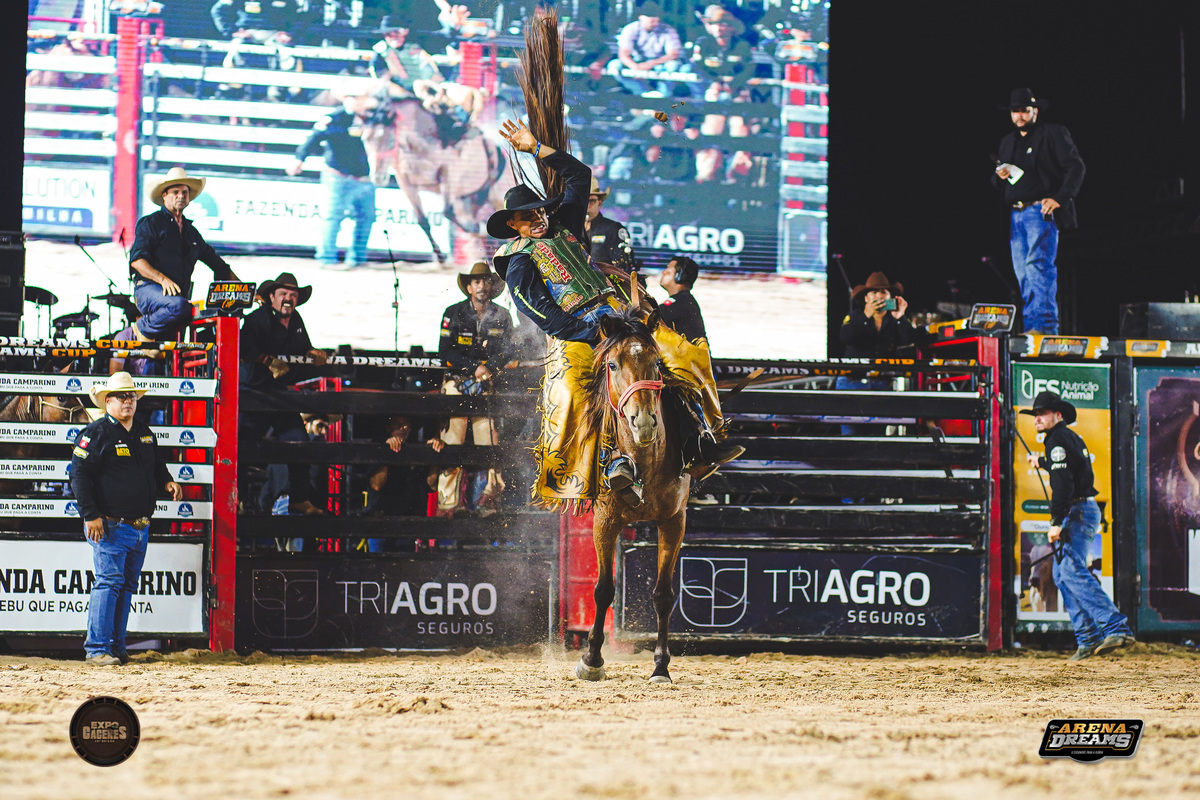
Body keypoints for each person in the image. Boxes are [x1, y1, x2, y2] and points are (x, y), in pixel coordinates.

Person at [488, 119, 742, 509]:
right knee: (573, 390)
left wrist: (536, 148)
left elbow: (579, 174)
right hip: (577, 330)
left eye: (539, 210)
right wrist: (589, 333)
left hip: (619, 312)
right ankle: (598, 466)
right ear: (512, 224)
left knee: (682, 354)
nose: (538, 218)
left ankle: (704, 440)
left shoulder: (565, 223)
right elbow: (537, 309)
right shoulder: (516, 259)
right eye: (528, 216)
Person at [69, 372, 183, 665]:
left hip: (138, 525)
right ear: (107, 401)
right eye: (121, 396)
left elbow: (156, 465)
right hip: (111, 524)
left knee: (124, 585)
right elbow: (78, 474)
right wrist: (90, 515)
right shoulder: (95, 433)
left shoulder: (144, 433)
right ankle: (97, 649)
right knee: (109, 583)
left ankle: (115, 646)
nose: (128, 401)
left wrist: (167, 481)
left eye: (131, 396)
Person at [1021, 391, 1135, 661]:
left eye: (1042, 413)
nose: (1037, 418)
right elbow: (1071, 469)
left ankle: (1115, 627)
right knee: (1062, 575)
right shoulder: (1067, 438)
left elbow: (1063, 484)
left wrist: (1056, 522)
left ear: (1057, 415)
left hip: (1076, 512)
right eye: (1035, 414)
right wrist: (1043, 462)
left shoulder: (1056, 440)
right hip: (1083, 510)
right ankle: (1088, 639)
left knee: (1070, 572)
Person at [992, 88, 1085, 335]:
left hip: (1039, 211)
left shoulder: (1052, 133)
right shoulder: (1008, 142)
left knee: (1038, 266)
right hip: (1016, 214)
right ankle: (1033, 325)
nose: (1020, 116)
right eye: (1015, 111)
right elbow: (997, 181)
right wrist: (999, 176)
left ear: (1035, 111)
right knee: (1023, 273)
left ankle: (1045, 327)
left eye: (1024, 110)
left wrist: (1059, 198)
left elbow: (1076, 167)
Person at [239, 272, 329, 516]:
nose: (288, 298)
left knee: (299, 442)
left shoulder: (296, 319)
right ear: (272, 297)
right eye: (283, 294)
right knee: (242, 446)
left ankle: (300, 499)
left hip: (278, 393)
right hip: (253, 392)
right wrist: (268, 361)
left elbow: (304, 346)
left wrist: (313, 352)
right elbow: (243, 346)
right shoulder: (257, 318)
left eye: (293, 295)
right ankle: (236, 498)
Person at [436, 261, 513, 516]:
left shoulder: (502, 315)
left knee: (489, 438)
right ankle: (448, 504)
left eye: (485, 281)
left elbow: (508, 350)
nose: (481, 286)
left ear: (492, 286)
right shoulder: (453, 312)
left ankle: (488, 499)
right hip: (456, 380)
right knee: (451, 439)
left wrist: (487, 367)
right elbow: (444, 351)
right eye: (477, 281)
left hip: (487, 381)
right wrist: (474, 367)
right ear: (469, 287)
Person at [129, 167, 239, 342]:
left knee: (171, 343)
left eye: (184, 192)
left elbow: (217, 264)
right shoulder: (151, 223)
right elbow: (137, 260)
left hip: (177, 297)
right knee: (180, 307)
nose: (181, 196)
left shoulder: (191, 232)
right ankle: (142, 328)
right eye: (175, 192)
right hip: (148, 289)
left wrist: (247, 291)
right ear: (164, 195)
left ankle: (150, 341)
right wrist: (162, 279)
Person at [286, 87, 377, 269]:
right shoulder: (335, 118)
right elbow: (313, 137)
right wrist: (299, 159)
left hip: (364, 177)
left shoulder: (375, 119)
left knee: (365, 218)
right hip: (338, 175)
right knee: (334, 217)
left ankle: (357, 258)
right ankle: (327, 258)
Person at [836, 272, 918, 435]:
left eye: (883, 292)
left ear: (890, 297)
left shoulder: (895, 321)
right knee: (851, 436)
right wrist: (866, 316)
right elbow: (845, 337)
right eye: (874, 293)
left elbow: (909, 341)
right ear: (866, 298)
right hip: (852, 383)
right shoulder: (855, 316)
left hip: (881, 384)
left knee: (877, 436)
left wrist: (900, 317)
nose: (879, 296)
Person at [363, 414, 446, 551]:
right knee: (377, 562)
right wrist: (387, 452)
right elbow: (376, 485)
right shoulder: (378, 446)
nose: (402, 428)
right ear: (388, 427)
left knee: (405, 562)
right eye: (397, 424)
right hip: (381, 522)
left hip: (407, 523)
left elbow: (430, 483)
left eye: (405, 424)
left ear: (410, 428)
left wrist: (434, 453)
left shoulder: (415, 450)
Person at [607, 2, 687, 98]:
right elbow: (623, 54)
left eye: (655, 16)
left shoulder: (668, 30)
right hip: (636, 62)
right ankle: (641, 92)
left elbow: (673, 54)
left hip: (659, 63)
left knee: (673, 66)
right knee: (614, 65)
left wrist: (650, 64)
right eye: (648, 16)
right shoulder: (631, 28)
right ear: (641, 17)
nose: (652, 19)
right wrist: (635, 67)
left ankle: (663, 95)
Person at [584, 177, 635, 273]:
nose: (586, 205)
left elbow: (623, 267)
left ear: (599, 203)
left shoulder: (613, 229)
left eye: (591, 201)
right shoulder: (569, 230)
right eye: (582, 200)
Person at [657, 255, 707, 342]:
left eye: (668, 270)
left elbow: (652, 316)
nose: (663, 273)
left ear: (679, 276)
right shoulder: (685, 299)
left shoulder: (680, 302)